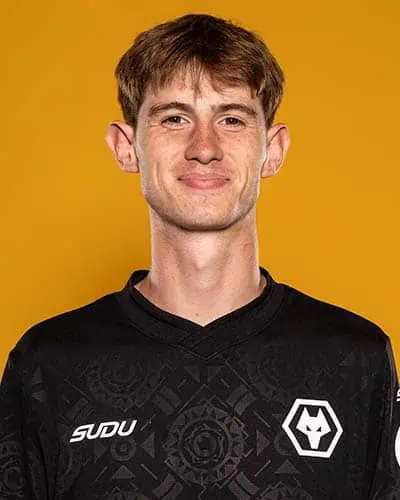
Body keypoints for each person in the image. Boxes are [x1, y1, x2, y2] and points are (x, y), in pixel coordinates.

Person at [1, 13, 399, 500]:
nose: (204, 148)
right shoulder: (48, 364)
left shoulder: (355, 358)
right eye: (174, 118)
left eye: (231, 119)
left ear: (273, 150)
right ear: (126, 147)